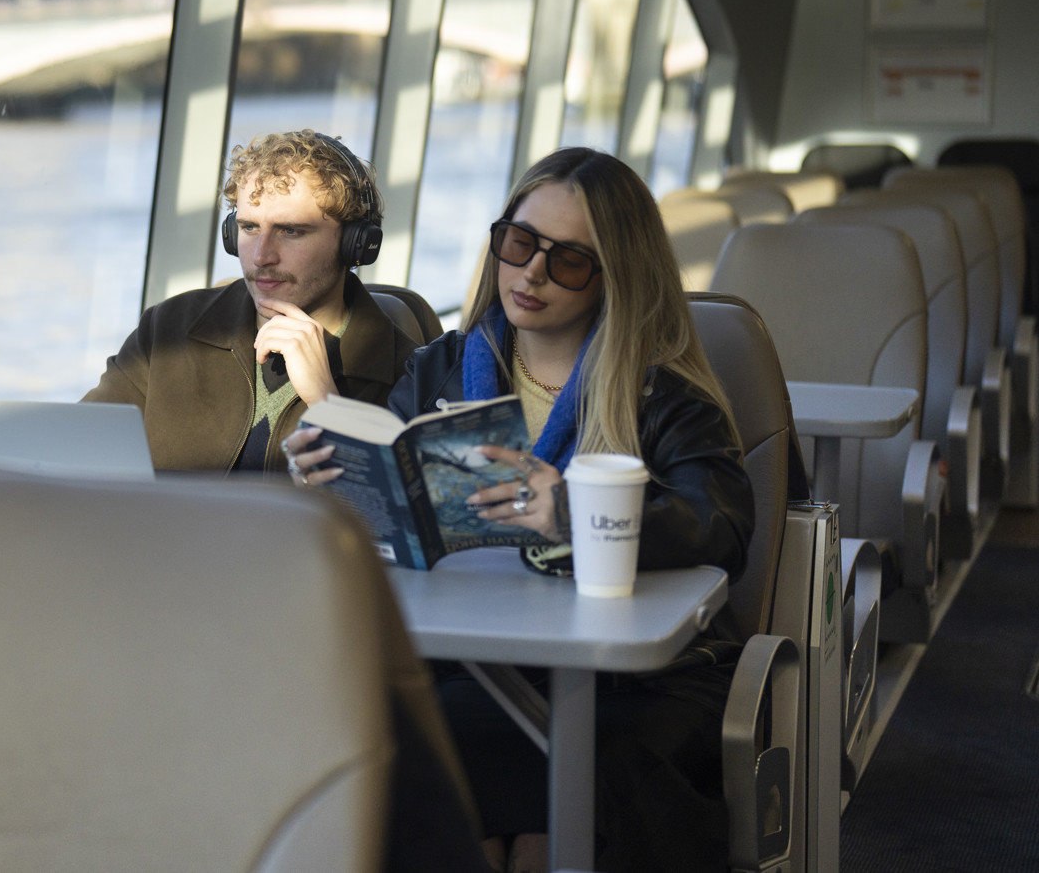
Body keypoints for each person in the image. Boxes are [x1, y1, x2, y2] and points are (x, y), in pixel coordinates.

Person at [287, 147, 754, 873]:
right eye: (520, 244)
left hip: (637, 679)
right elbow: (398, 515)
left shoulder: (661, 394)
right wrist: (337, 485)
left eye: (568, 261)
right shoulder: (439, 368)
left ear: (615, 277)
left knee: (565, 790)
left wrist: (572, 514)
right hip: (472, 661)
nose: (532, 273)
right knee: (415, 742)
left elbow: (719, 522)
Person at [83, 129, 419, 473]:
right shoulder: (167, 329)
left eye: (291, 231)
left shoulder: (411, 376)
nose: (261, 257)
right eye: (249, 228)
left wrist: (327, 403)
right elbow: (72, 450)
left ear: (355, 244)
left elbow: (401, 516)